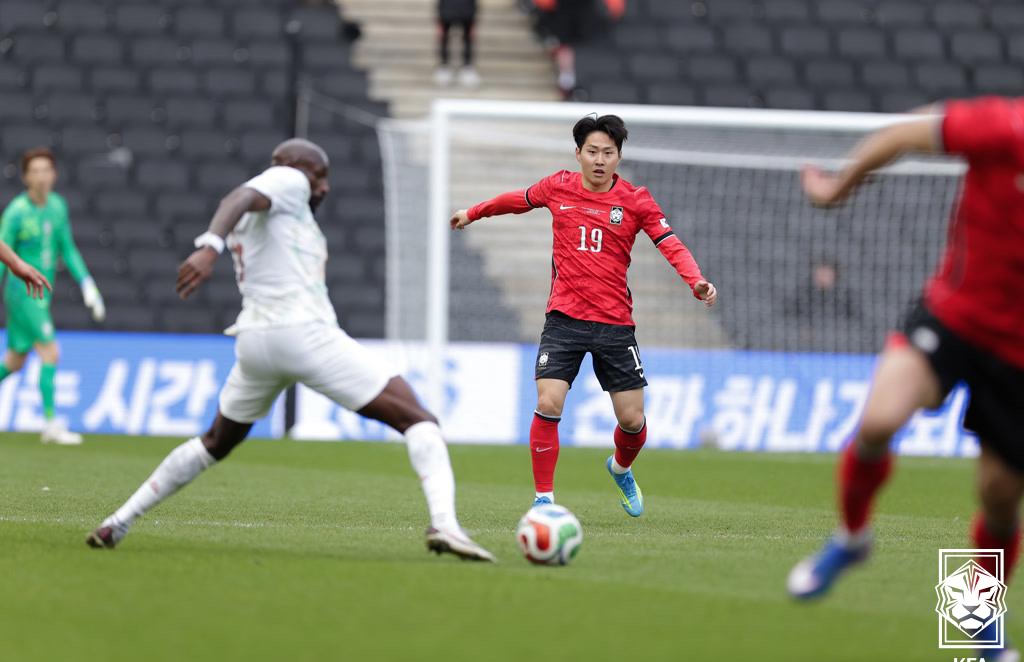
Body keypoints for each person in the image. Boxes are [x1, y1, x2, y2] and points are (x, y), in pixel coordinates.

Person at [87, 139, 495, 563]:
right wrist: (209, 246)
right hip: (302, 333)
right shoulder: (288, 180)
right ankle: (445, 524)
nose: (324, 186)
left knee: (215, 442)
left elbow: (242, 202)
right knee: (419, 419)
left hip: (256, 341)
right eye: (319, 175)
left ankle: (118, 520)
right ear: (292, 167)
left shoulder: (276, 213)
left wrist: (217, 241)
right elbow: (239, 196)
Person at [786, 98, 1024, 662]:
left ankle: (976, 610)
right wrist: (838, 188)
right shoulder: (1004, 127)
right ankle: (852, 538)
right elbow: (903, 135)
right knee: (878, 421)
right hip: (952, 317)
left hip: (1017, 355)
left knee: (999, 497)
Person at [450, 115, 716, 516]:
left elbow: (670, 243)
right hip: (564, 319)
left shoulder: (636, 200)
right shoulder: (558, 186)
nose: (599, 160)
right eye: (592, 151)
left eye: (608, 152)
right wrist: (474, 212)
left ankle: (620, 468)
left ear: (619, 157)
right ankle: (543, 499)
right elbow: (517, 200)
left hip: (615, 324)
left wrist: (695, 280)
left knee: (633, 421)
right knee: (549, 402)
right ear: (578, 154)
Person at [0, 148, 105, 445]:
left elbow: (67, 248)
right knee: (50, 352)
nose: (41, 177)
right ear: (25, 177)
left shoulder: (57, 206)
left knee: (15, 360)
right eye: (35, 171)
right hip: (22, 294)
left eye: (46, 170)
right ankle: (50, 423)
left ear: (55, 174)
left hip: (41, 294)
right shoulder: (17, 212)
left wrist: (87, 284)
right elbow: (2, 253)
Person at [435, 0, 479, 88]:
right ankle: (444, 67)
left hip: (466, 13)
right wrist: (439, 19)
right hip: (447, 12)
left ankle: (467, 67)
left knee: (467, 40)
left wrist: (473, 21)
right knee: (444, 39)